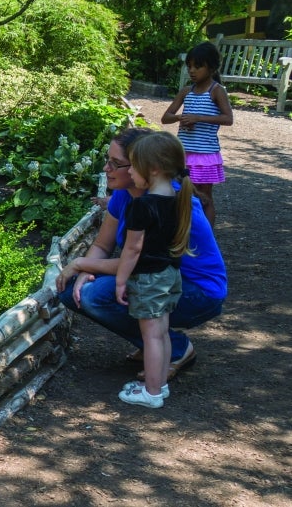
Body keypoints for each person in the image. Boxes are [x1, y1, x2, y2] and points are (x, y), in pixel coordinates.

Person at [55, 126, 227, 384]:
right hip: (157, 277)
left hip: (197, 291)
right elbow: (103, 245)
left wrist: (81, 263)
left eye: (116, 163)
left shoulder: (165, 202)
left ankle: (175, 352)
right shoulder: (125, 195)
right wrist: (89, 270)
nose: (106, 169)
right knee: (73, 291)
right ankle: (157, 346)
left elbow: (139, 261)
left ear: (145, 166)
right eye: (107, 161)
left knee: (92, 296)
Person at [113, 131, 193, 408]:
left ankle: (151, 393)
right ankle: (160, 384)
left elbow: (132, 249)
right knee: (162, 332)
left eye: (134, 165)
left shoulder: (142, 206)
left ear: (154, 169)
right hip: (170, 275)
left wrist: (121, 280)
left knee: (151, 336)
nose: (130, 171)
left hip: (148, 279)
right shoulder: (177, 198)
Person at [161, 41, 233, 226]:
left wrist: (198, 118)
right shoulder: (186, 91)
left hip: (205, 155)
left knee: (204, 197)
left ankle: (207, 236)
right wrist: (181, 118)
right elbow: (166, 117)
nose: (192, 71)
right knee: (181, 193)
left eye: (198, 66)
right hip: (182, 154)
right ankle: (184, 232)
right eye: (189, 66)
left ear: (212, 68)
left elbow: (228, 119)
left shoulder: (216, 91)